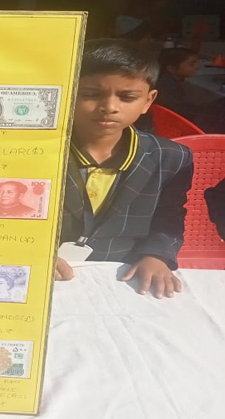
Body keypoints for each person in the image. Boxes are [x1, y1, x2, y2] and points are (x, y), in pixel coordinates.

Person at [56, 39, 193, 300]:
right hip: (53, 276)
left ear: (148, 100)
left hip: (125, 276)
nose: (109, 107)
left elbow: (170, 216)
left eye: (127, 97)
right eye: (91, 94)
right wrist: (33, 253)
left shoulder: (172, 158)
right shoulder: (37, 153)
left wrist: (156, 255)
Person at [154, 47, 200, 120]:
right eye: (191, 64)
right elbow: (182, 110)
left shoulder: (168, 80)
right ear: (171, 68)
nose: (197, 67)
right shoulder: (167, 86)